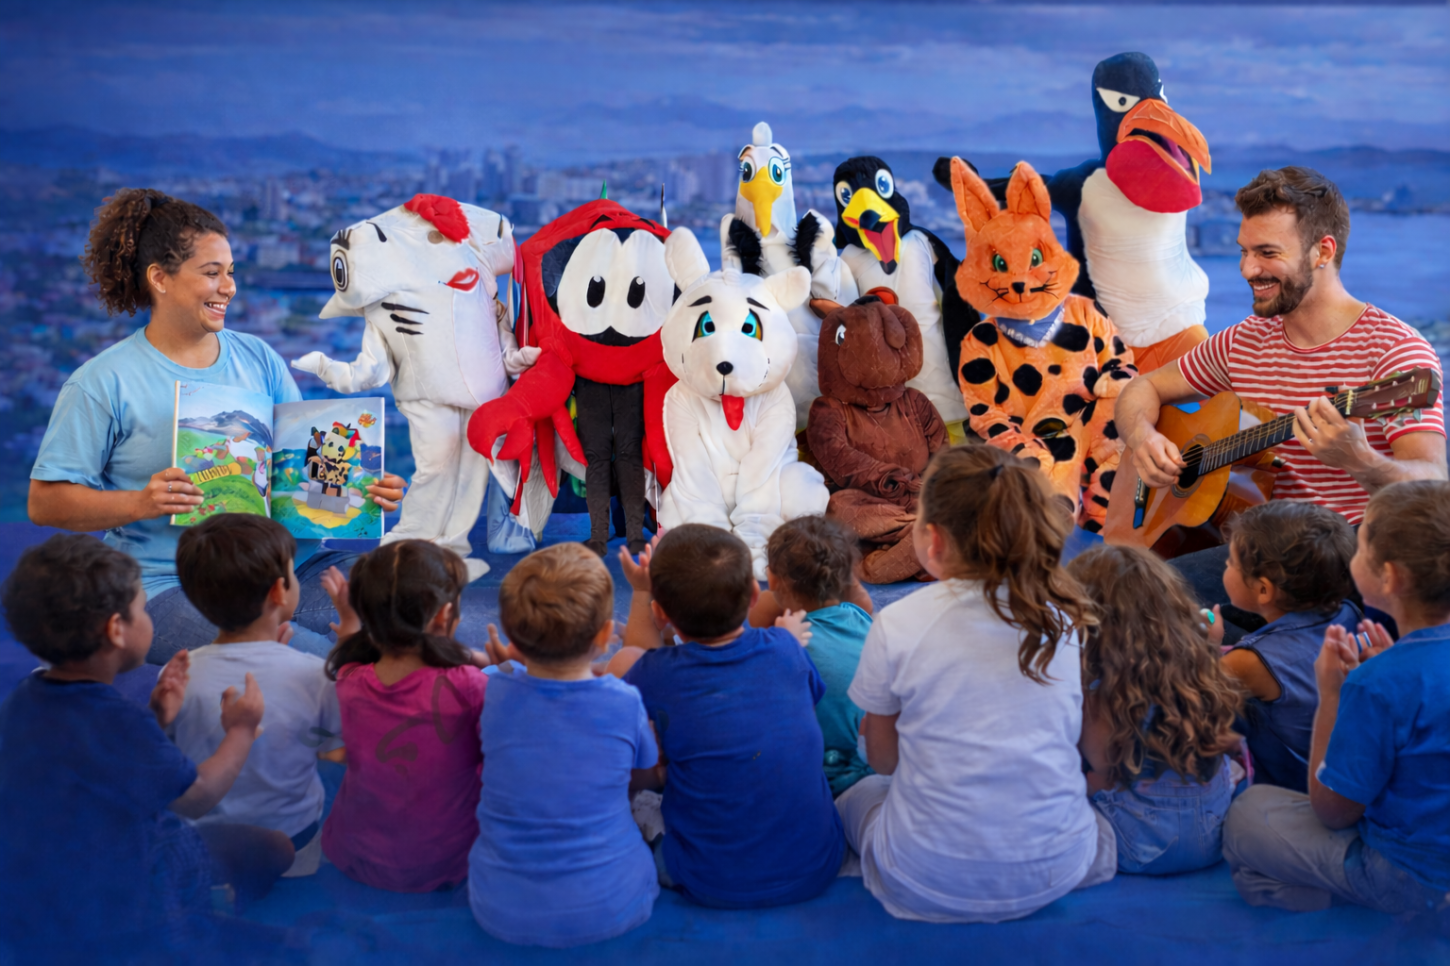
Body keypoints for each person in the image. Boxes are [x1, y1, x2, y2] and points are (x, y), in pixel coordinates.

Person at [27, 188, 408, 663]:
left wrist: (359, 486)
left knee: (405, 618)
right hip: (173, 582)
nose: (229, 287)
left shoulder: (258, 358)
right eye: (212, 273)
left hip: (290, 567)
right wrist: (141, 502)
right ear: (159, 279)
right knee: (313, 662)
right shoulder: (102, 382)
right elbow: (45, 503)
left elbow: (296, 463)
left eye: (231, 272)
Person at [1114, 167, 1445, 626]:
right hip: (1251, 552)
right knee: (1109, 587)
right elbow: (1140, 387)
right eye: (1245, 252)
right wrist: (1143, 438)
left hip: (1338, 559)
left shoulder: (1395, 350)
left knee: (1140, 599)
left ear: (1322, 251)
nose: (1249, 269)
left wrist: (1360, 460)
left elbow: (1432, 484)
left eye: (1268, 253)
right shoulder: (1244, 340)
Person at [836, 445, 1114, 923]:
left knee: (856, 798)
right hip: (1056, 870)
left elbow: (883, 759)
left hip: (923, 880)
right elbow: (1093, 747)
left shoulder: (898, 622)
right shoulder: (1068, 620)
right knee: (1100, 832)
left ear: (935, 541)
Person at [0, 534, 292, 961]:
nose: (147, 618)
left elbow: (98, 767)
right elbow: (195, 798)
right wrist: (241, 731)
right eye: (142, 608)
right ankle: (200, 908)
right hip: (121, 907)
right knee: (275, 847)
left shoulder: (21, 700)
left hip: (30, 903)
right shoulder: (117, 720)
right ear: (116, 629)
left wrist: (156, 718)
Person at [1223, 480, 1450, 916]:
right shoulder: (1375, 648)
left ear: (1390, 577)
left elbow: (1333, 812)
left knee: (1248, 813)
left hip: (1411, 878)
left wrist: (1333, 694)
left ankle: (1336, 900)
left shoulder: (1376, 682)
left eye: (1360, 547)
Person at [622, 524, 845, 908]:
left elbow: (639, 661)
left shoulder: (655, 673)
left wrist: (643, 591)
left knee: (635, 795)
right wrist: (786, 635)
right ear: (756, 595)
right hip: (817, 864)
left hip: (708, 878)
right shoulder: (786, 650)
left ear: (660, 612)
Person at [468, 544, 659, 947]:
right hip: (616, 903)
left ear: (511, 635)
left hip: (498, 905)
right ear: (606, 635)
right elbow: (643, 772)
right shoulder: (623, 701)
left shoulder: (495, 692)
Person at [168, 514, 342, 877]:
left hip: (209, 843)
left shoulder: (178, 675)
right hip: (294, 841)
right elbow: (340, 744)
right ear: (279, 591)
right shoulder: (313, 674)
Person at [319, 540, 488, 892]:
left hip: (355, 856)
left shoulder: (351, 680)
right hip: (446, 860)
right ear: (443, 615)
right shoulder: (472, 686)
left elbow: (348, 654)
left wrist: (349, 619)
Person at [1068, 545, 1242, 875]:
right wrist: (1212, 646)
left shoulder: (1100, 699)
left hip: (1141, 846)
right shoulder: (1201, 667)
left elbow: (1103, 780)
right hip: (1217, 835)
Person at [1212, 502, 1360, 791]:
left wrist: (1207, 645)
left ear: (1264, 590)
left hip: (1295, 785)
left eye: (1230, 562)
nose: (1225, 566)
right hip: (1340, 762)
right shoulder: (1349, 611)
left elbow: (1189, 694)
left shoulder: (1249, 662)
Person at [762, 515, 874, 797]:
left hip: (821, 780)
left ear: (771, 578)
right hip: (874, 765)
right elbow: (861, 598)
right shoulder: (861, 618)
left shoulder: (778, 647)